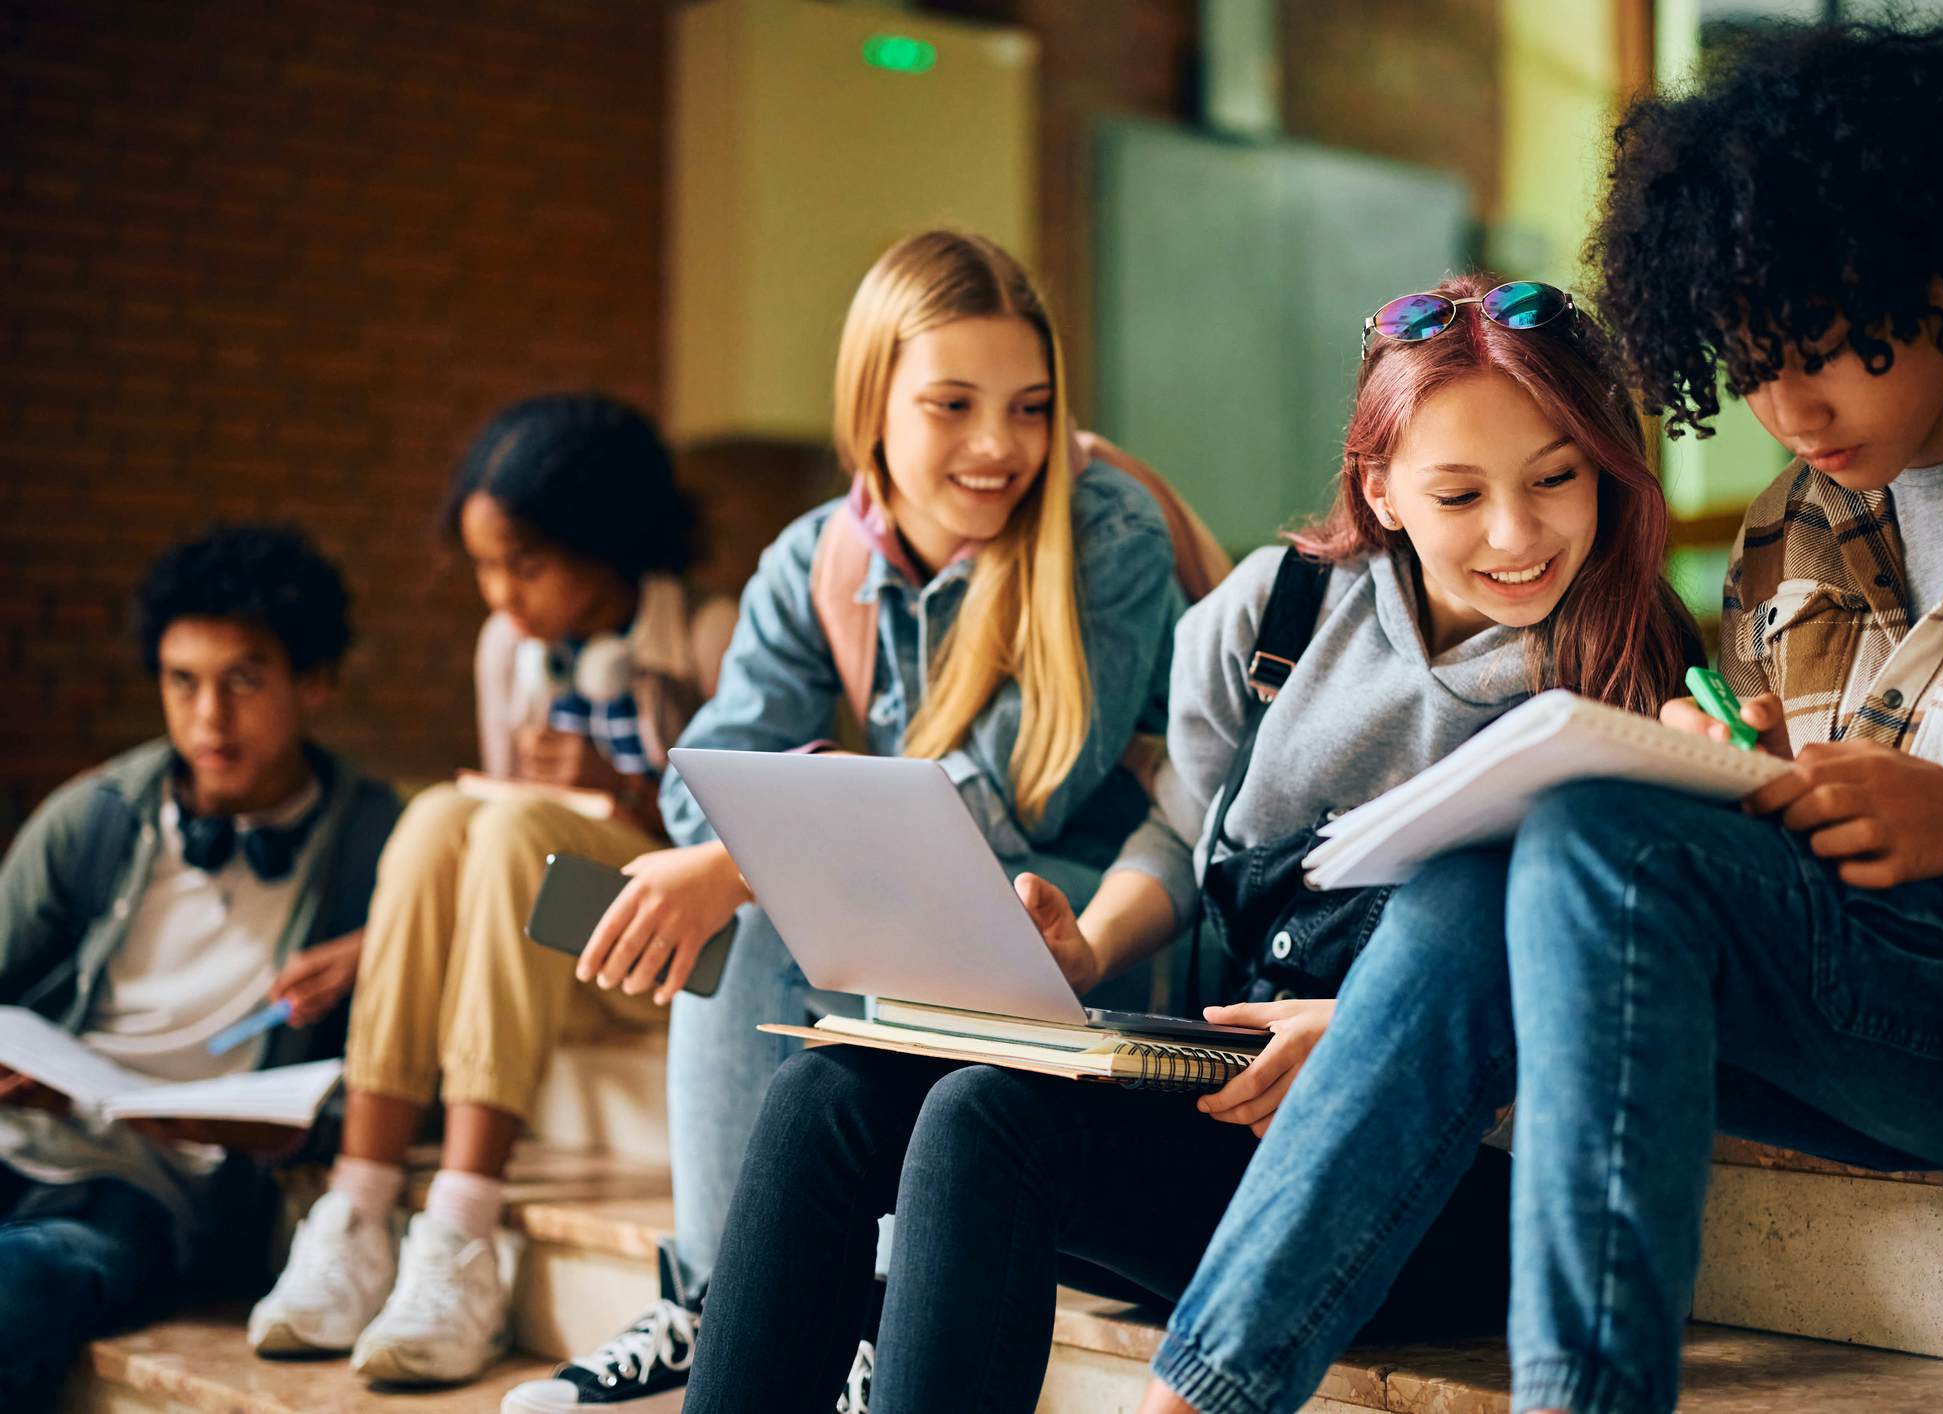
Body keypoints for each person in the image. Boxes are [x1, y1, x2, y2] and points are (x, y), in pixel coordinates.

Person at [1142, 20, 1943, 1414]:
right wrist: (1737, 771)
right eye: (1751, 364)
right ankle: (1210, 1396)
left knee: (1603, 834)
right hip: (1829, 1005)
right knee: (1494, 868)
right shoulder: (1797, 520)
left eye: (1830, 353)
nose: (1790, 410)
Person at [681, 274, 1702, 1412]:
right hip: (1237, 1103)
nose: (1516, 533)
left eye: (1556, 479)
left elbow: (1632, 993)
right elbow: (1181, 830)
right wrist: (1086, 947)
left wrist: (1376, 1040)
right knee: (826, 1094)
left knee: (986, 1121)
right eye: (1459, 494)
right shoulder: (1277, 616)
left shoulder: (1646, 681)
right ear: (1383, 488)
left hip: (1452, 1172)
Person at [505, 229, 1202, 1414]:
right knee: (758, 891)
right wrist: (762, 837)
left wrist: (763, 845)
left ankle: (831, 1303)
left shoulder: (1105, 534)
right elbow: (703, 779)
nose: (999, 447)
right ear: (871, 404)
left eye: (1030, 407)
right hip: (943, 895)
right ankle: (720, 1293)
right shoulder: (815, 558)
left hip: (1087, 921)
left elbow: (1014, 788)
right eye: (953, 405)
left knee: (772, 893)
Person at [250, 394, 737, 1386]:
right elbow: (484, 848)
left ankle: (465, 1225)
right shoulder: (506, 651)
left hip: (679, 948)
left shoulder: (709, 637)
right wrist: (377, 942)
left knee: (516, 824)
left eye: (526, 564)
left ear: (605, 544)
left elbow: (753, 860)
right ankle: (359, 1204)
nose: (501, 596)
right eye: (482, 567)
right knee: (437, 814)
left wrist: (622, 797)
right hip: (549, 932)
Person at [0, 525, 398, 1412]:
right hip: (22, 1141)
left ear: (316, 684)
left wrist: (383, 948)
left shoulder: (378, 844)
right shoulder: (96, 818)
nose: (207, 719)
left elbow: (429, 1063)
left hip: (143, 1192)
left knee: (18, 1289)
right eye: (182, 682)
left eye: (243, 681)